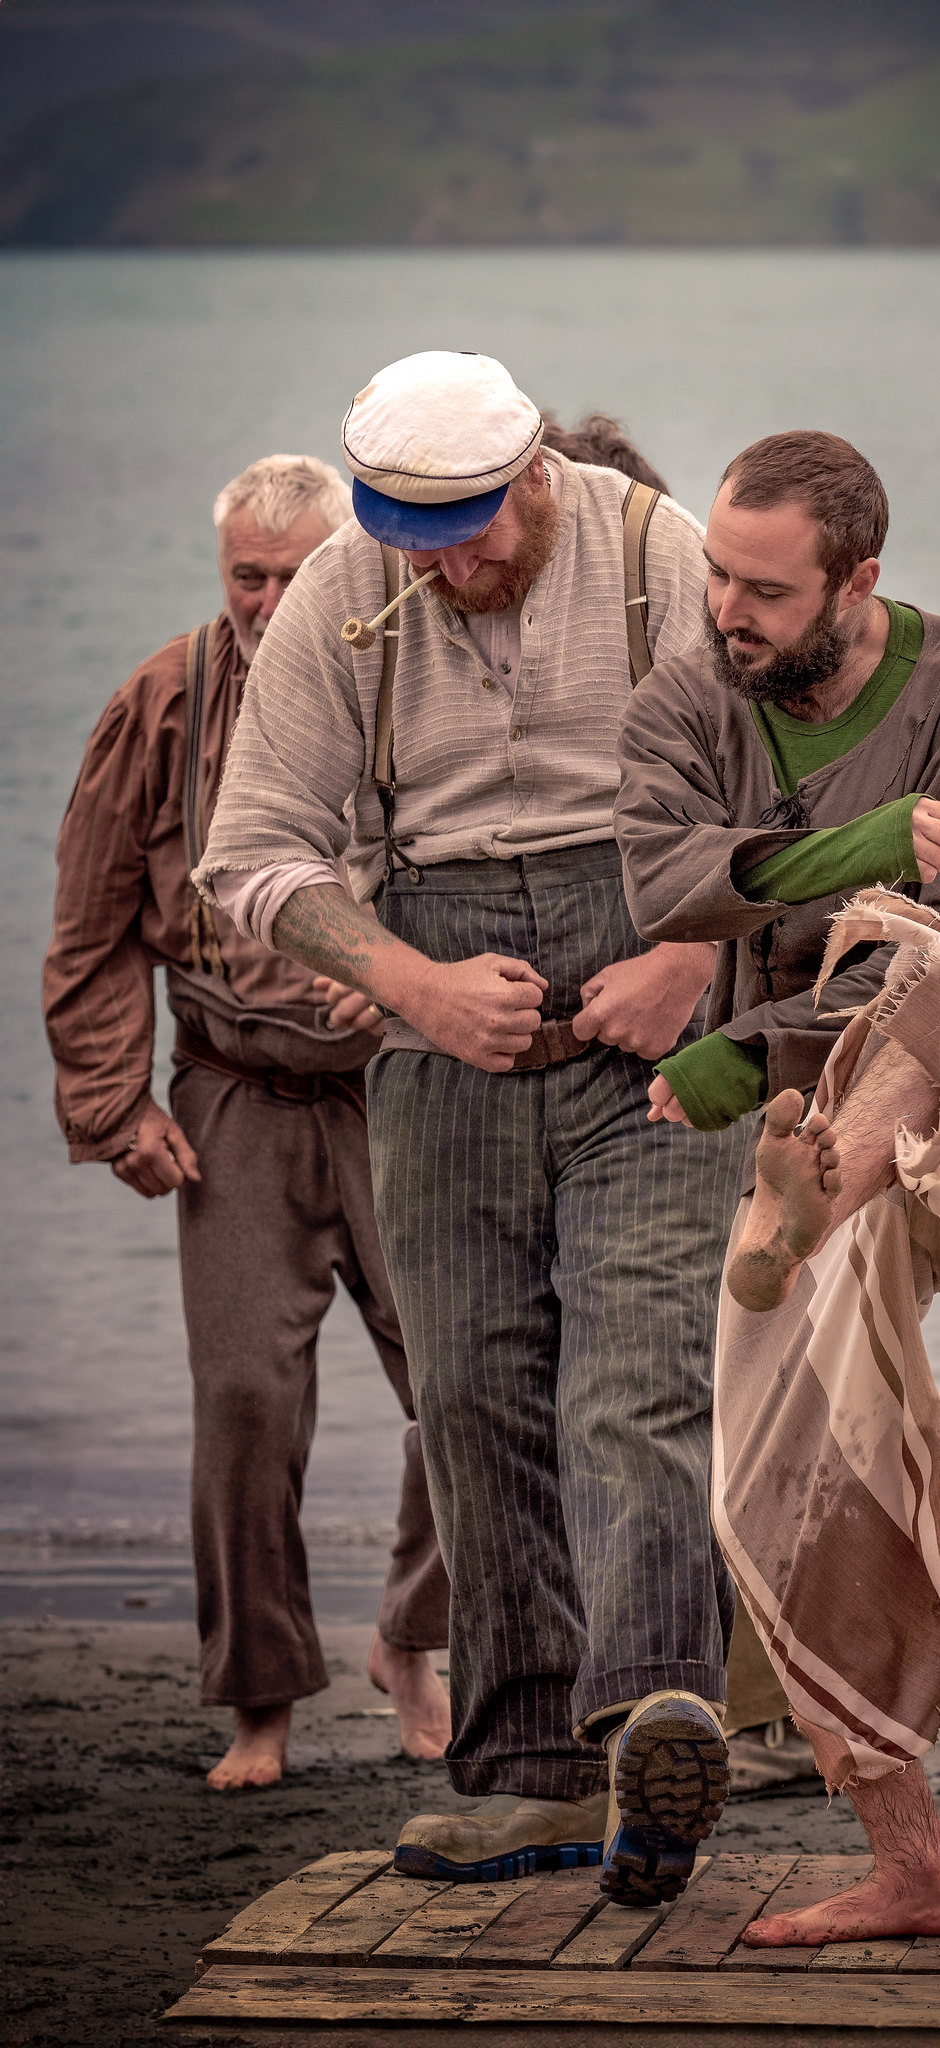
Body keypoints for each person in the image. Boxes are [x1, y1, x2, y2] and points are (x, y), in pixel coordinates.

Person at [195, 353, 744, 1905]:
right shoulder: (338, 596)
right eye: (411, 531)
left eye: (473, 528)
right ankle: (525, 1779)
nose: (447, 562)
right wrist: (408, 985)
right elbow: (250, 859)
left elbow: (768, 779)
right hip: (439, 1000)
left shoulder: (654, 553)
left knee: (635, 1370)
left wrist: (693, 955)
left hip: (651, 978)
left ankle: (656, 1731)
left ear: (538, 479)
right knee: (474, 1390)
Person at [614, 430, 940, 1941]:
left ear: (861, 581)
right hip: (818, 1131)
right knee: (768, 1476)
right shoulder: (685, 699)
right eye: (715, 572)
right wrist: (856, 841)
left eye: (764, 588)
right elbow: (666, 889)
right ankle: (913, 1862)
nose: (726, 608)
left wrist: (738, 1047)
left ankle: (817, 1185)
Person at [43, 456, 452, 1792]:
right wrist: (115, 1102)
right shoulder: (161, 699)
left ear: (359, 564)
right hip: (234, 1098)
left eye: (295, 573)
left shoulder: (423, 675)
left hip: (406, 1087)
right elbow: (95, 925)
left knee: (472, 1382)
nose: (272, 601)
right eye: (248, 576)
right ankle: (260, 1708)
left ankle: (418, 1637)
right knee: (242, 1402)